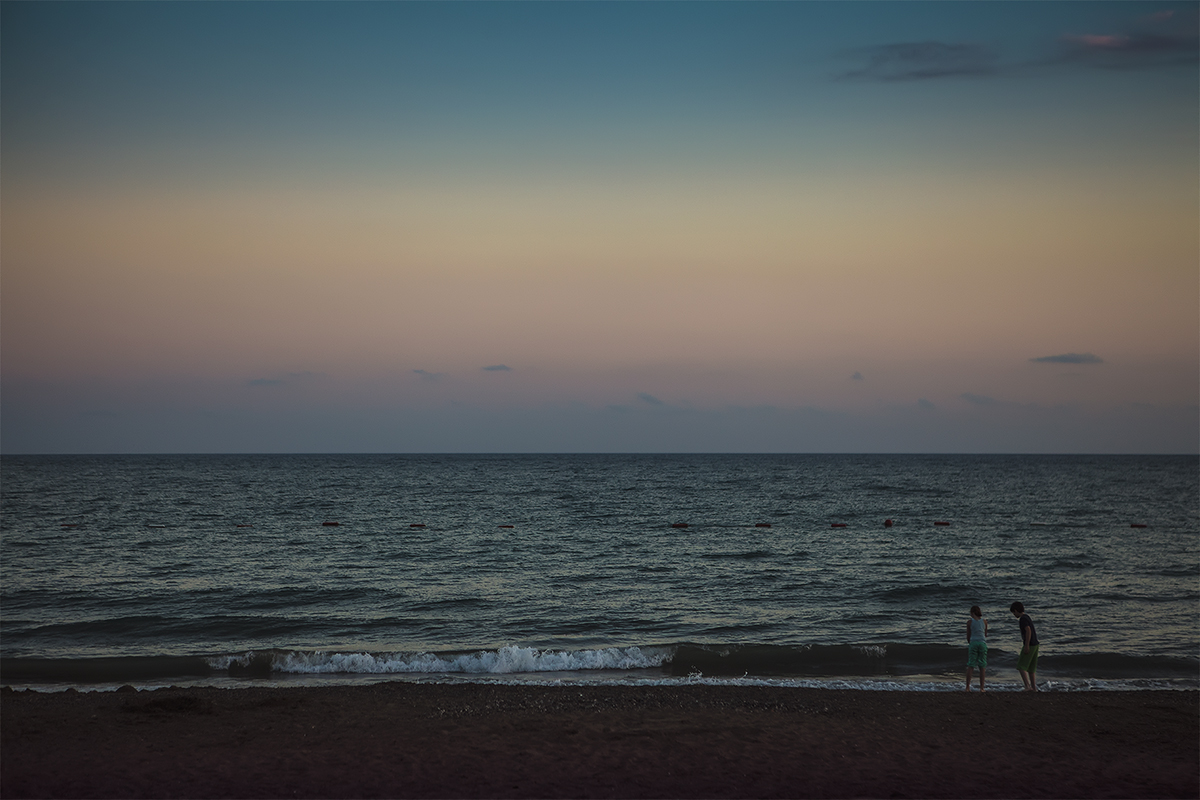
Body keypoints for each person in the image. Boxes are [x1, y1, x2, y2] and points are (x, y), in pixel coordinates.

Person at [1010, 601, 1040, 691]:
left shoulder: (1022, 619)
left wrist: (1026, 645)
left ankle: (1027, 686)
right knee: (1031, 668)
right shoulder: (1027, 616)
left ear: (1016, 610)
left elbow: (1028, 630)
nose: (1014, 615)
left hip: (1030, 644)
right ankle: (1033, 687)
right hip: (1035, 644)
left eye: (1013, 613)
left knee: (1021, 666)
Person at [965, 605, 988, 692]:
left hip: (973, 643)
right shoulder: (984, 621)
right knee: (982, 666)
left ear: (972, 613)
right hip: (982, 643)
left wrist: (970, 642)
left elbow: (968, 636)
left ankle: (967, 687)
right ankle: (982, 688)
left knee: (971, 665)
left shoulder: (970, 622)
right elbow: (985, 634)